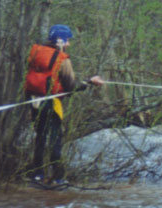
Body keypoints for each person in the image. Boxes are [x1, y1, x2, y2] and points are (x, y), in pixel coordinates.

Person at [24, 24, 104, 183]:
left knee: (40, 137)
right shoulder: (62, 59)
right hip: (52, 103)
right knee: (55, 139)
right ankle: (58, 177)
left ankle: (38, 174)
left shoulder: (36, 53)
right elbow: (71, 87)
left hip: (33, 101)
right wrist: (89, 82)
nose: (69, 44)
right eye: (67, 40)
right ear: (59, 41)